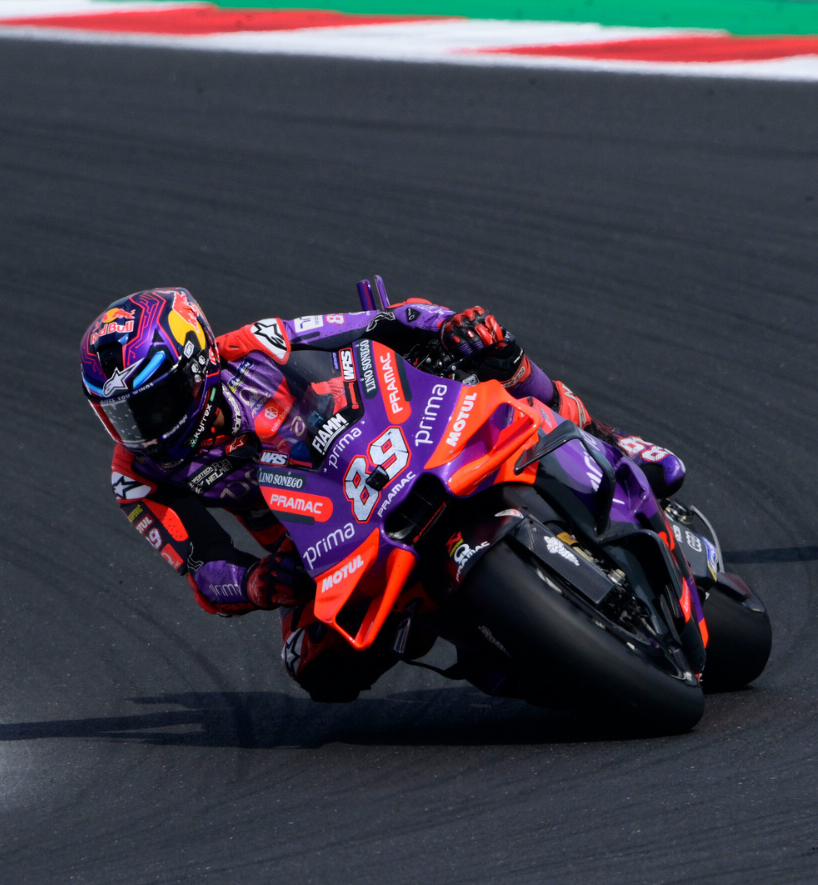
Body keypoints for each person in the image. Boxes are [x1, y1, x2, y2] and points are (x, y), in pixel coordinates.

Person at [79, 285, 683, 702]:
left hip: (382, 442)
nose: (148, 427)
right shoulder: (138, 476)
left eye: (155, 401)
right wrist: (260, 583)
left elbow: (380, 322)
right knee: (315, 670)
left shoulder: (256, 346)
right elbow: (203, 567)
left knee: (490, 354)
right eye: (127, 416)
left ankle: (607, 439)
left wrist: (449, 326)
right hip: (316, 544)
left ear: (198, 360)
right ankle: (491, 648)